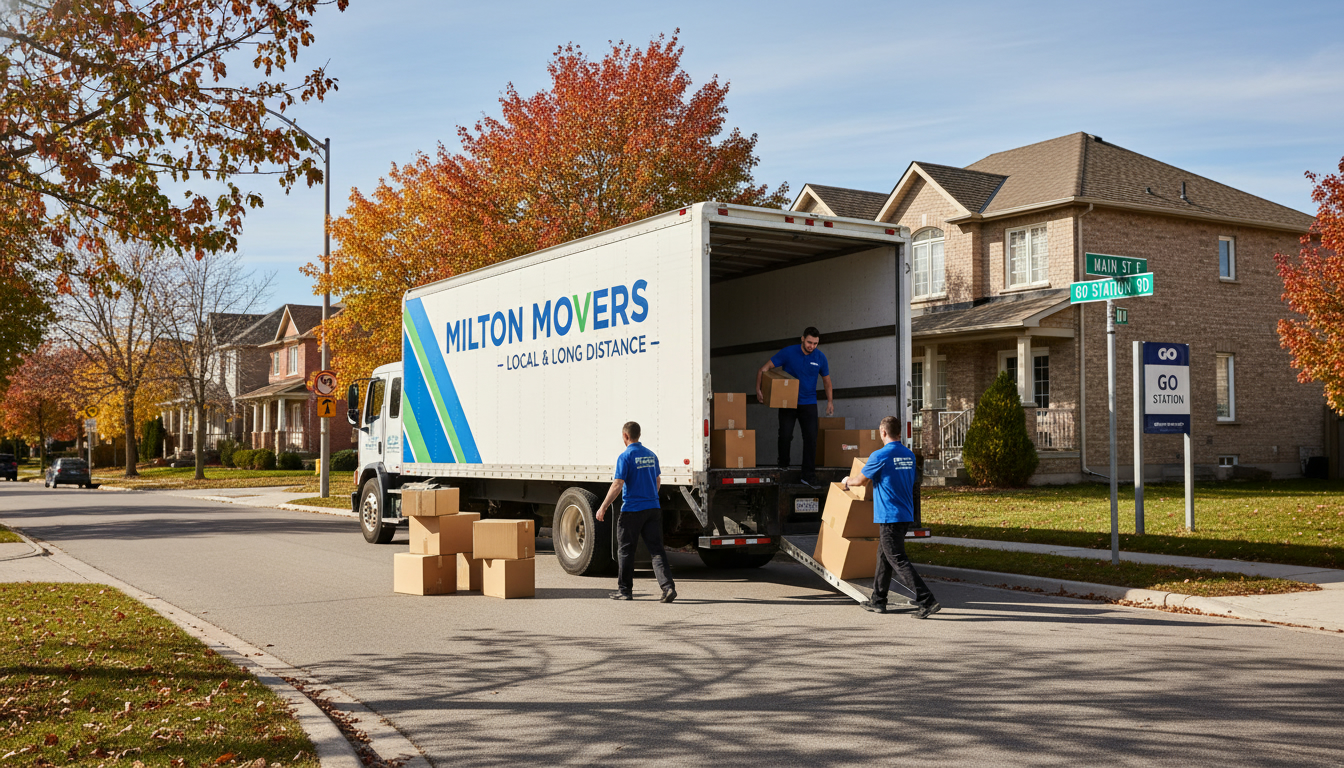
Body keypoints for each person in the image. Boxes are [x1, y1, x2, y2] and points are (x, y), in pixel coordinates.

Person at [841, 415, 939, 619]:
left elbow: (860, 481)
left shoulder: (880, 456)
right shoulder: (909, 455)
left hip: (889, 516)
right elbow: (910, 480)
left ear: (883, 432)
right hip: (905, 514)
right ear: (899, 432)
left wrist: (847, 481)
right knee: (883, 557)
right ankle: (878, 600)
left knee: (897, 559)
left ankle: (926, 600)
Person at [595, 421, 677, 603]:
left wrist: (603, 506)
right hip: (653, 509)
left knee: (626, 551)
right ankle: (668, 587)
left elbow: (617, 484)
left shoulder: (625, 457)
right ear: (639, 435)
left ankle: (625, 591)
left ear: (625, 436)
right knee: (656, 550)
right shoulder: (651, 455)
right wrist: (651, 497)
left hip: (632, 510)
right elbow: (657, 480)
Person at [756, 326, 832, 488]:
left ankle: (808, 475)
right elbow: (764, 369)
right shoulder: (788, 352)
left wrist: (830, 402)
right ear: (802, 339)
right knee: (785, 436)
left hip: (809, 403)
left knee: (811, 439)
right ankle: (783, 466)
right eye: (809, 342)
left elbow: (827, 381)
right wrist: (759, 390)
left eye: (815, 343)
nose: (812, 346)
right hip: (788, 403)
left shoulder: (820, 357)